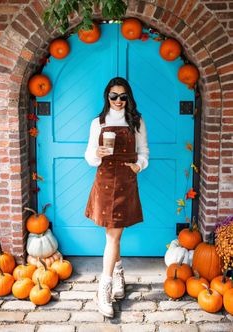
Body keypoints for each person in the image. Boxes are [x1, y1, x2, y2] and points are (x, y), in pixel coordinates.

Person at [84, 77, 149, 318]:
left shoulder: (137, 121)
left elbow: (144, 151)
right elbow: (88, 155)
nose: (118, 101)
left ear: (128, 97)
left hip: (126, 181)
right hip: (104, 181)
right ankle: (115, 278)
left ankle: (106, 285)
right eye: (114, 96)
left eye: (123, 96)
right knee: (112, 235)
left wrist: (139, 165)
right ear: (107, 97)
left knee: (114, 235)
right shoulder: (97, 123)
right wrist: (97, 154)